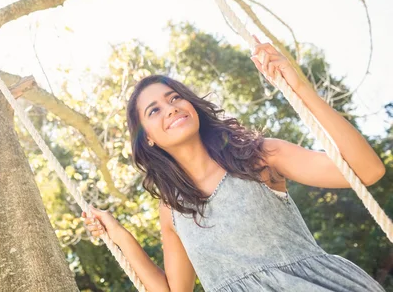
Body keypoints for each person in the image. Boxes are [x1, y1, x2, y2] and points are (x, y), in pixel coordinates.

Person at [81, 37, 387, 292]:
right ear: (147, 138)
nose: (171, 109)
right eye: (154, 110)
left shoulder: (258, 157)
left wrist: (299, 89)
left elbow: (367, 171)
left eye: (174, 98)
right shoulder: (173, 209)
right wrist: (119, 235)